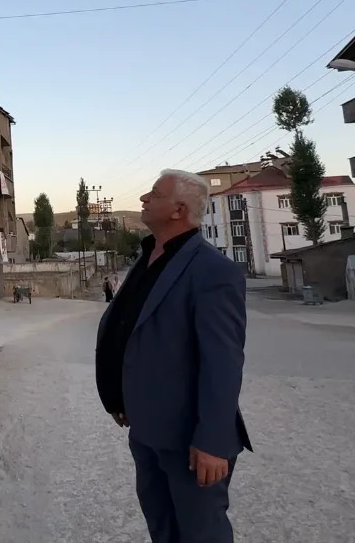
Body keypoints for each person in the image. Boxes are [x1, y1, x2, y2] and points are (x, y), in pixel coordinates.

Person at [95, 169, 251, 543]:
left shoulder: (213, 271)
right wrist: (119, 395)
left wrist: (212, 441)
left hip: (190, 439)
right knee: (163, 527)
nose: (144, 199)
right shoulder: (147, 257)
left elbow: (223, 362)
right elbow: (132, 330)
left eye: (154, 194)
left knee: (200, 532)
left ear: (179, 209)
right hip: (147, 430)